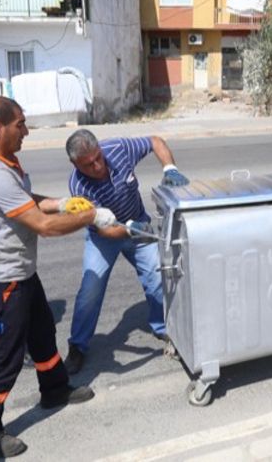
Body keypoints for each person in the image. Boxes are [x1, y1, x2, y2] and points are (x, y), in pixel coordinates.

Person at [0, 97, 117, 458]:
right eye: (21, 124)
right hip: (4, 281)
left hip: (21, 274)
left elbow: (26, 200)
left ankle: (55, 390)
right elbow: (44, 227)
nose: (26, 131)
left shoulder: (5, 163)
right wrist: (89, 217)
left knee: (43, 334)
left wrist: (62, 202)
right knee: (5, 356)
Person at [63, 128, 189, 374]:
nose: (97, 167)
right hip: (105, 236)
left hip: (138, 224)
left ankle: (163, 327)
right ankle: (78, 346)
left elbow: (155, 140)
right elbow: (104, 231)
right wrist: (128, 230)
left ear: (100, 148)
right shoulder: (77, 185)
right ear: (74, 164)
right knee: (90, 290)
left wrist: (169, 168)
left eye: (98, 158)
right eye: (88, 165)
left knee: (157, 276)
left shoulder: (119, 149)